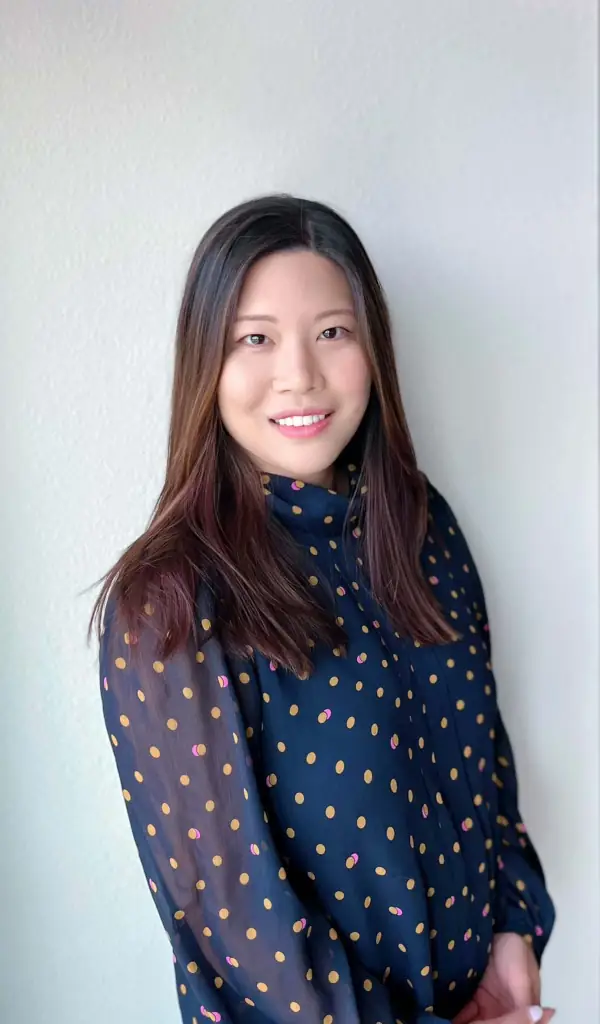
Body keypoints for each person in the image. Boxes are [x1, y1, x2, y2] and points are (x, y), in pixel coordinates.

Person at [91, 195, 555, 1024]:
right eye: (255, 337)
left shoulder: (420, 525)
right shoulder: (168, 601)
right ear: (207, 361)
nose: (299, 373)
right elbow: (233, 923)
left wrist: (516, 930)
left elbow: (484, 757)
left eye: (332, 332)